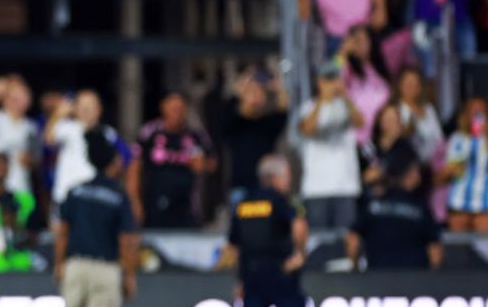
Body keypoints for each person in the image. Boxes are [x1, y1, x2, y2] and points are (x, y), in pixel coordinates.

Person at [219, 155, 316, 307]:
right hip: (281, 273)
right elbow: (299, 227)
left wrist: (239, 279)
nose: (287, 182)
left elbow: (233, 247)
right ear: (275, 178)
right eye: (285, 177)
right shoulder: (282, 201)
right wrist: (300, 254)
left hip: (252, 275)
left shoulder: (243, 204)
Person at [52, 130, 139, 307]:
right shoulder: (118, 195)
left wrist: (59, 264)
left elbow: (62, 231)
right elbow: (127, 239)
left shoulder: (76, 191)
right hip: (106, 268)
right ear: (113, 162)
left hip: (75, 265)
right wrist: (129, 274)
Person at [128, 93, 216, 228]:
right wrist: (134, 200)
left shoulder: (196, 134)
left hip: (186, 205)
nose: (177, 113)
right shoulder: (150, 132)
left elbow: (213, 162)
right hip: (153, 204)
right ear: (163, 107)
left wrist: (202, 165)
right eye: (173, 108)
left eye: (181, 109)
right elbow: (134, 165)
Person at [347, 147, 443, 269]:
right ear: (409, 174)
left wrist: (355, 268)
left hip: (376, 281)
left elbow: (352, 240)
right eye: (416, 171)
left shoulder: (372, 205)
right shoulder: (420, 207)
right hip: (414, 282)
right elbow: (435, 251)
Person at [298, 60, 363, 230]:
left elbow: (360, 122)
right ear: (319, 82)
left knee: (346, 242)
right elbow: (308, 129)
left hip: (346, 187)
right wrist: (322, 99)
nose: (332, 84)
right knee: (318, 242)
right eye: (327, 80)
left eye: (335, 79)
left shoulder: (346, 106)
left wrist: (344, 95)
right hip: (317, 188)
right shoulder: (309, 106)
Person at [221, 68, 288, 204]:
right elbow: (231, 106)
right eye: (251, 93)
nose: (255, 96)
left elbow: (283, 109)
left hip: (266, 187)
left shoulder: (267, 123)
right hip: (240, 187)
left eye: (259, 93)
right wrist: (243, 87)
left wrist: (277, 87)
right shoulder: (234, 123)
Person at [442, 97, 488, 232]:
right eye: (473, 112)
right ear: (466, 115)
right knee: (459, 249)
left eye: (481, 113)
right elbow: (453, 170)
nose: (477, 117)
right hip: (459, 202)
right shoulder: (457, 139)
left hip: (484, 204)